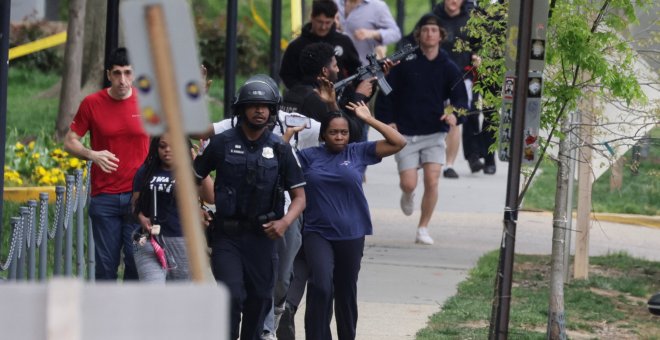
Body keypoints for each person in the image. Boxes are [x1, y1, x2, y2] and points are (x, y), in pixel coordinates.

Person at [193, 77, 306, 340]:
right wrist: (197, 210)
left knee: (259, 300)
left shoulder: (280, 149)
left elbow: (300, 197)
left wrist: (285, 223)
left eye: (265, 106)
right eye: (253, 105)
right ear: (242, 109)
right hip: (226, 236)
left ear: (272, 110)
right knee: (230, 295)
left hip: (263, 237)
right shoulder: (221, 143)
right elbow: (190, 179)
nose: (259, 110)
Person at [296, 94, 406, 339]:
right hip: (317, 232)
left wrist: (369, 119)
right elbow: (283, 163)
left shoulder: (358, 152)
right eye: (333, 132)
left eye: (343, 133)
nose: (338, 137)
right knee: (321, 286)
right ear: (323, 134)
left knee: (345, 292)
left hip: (352, 232)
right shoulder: (308, 157)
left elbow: (399, 142)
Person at [375, 13, 468, 245]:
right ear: (419, 35)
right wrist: (388, 121)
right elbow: (386, 90)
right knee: (409, 183)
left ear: (441, 36)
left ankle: (423, 227)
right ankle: (407, 194)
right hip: (405, 133)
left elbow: (460, 98)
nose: (429, 34)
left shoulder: (448, 66)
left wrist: (454, 115)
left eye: (434, 30)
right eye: (425, 30)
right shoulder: (405, 63)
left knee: (433, 180)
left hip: (434, 133)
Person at [63, 47, 149, 280]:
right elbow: (69, 142)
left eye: (128, 73)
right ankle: (105, 315)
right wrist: (92, 154)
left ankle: (129, 315)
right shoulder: (92, 103)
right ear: (108, 74)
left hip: (138, 197)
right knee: (105, 266)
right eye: (117, 73)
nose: (123, 80)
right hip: (105, 197)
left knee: (136, 262)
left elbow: (164, 142)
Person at [131, 134, 214, 283]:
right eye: (162, 146)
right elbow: (135, 205)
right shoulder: (145, 171)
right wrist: (141, 218)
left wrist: (199, 163)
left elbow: (211, 197)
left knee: (178, 295)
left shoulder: (191, 172)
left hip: (183, 240)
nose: (167, 150)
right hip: (150, 241)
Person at [432, 0, 492, 177]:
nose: (453, 1)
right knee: (432, 116)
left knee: (456, 117)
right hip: (436, 75)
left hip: (461, 76)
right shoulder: (434, 18)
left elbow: (479, 43)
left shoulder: (472, 18)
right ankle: (428, 156)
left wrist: (476, 56)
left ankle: (449, 164)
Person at [281, 42, 371, 143]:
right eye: (335, 66)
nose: (338, 70)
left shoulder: (291, 93)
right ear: (325, 70)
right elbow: (351, 135)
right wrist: (359, 97)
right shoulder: (317, 100)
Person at [279, 0, 361, 89]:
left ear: (334, 19)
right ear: (312, 18)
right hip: (306, 98)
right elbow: (287, 74)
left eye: (327, 22)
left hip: (338, 97)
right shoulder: (296, 45)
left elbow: (356, 70)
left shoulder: (343, 41)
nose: (323, 27)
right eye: (320, 22)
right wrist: (302, 91)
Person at [333, 0, 401, 66]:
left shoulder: (377, 6)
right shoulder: (334, 3)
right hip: (335, 68)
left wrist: (372, 34)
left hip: (364, 69)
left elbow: (395, 33)